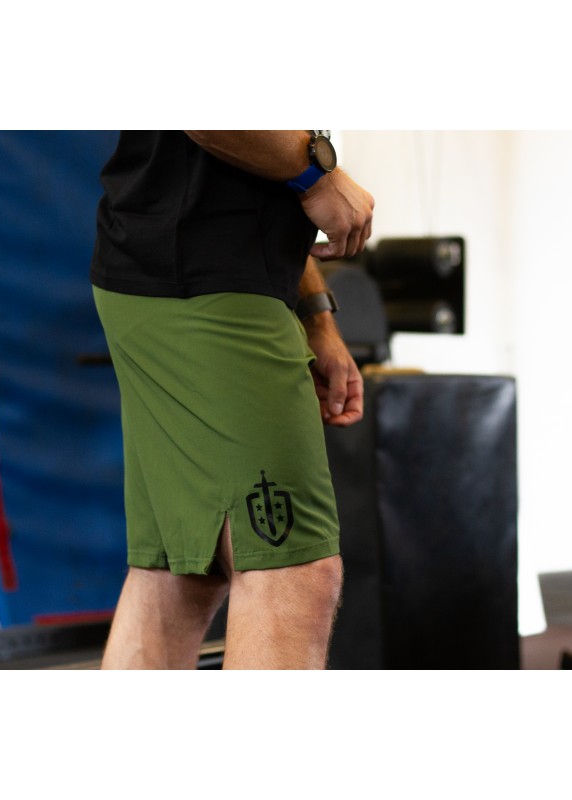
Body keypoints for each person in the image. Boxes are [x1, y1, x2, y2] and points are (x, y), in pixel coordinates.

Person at [90, 131, 374, 669]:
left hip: (188, 268)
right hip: (206, 281)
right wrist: (319, 174)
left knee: (181, 569)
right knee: (291, 570)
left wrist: (315, 316)